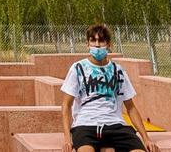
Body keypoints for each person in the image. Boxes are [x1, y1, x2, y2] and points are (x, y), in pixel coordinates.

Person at [60, 24, 151, 152]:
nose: (97, 45)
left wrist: (146, 138)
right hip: (86, 125)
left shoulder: (118, 71)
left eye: (101, 40)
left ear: (108, 44)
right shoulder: (78, 69)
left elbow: (130, 107)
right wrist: (67, 138)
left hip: (115, 125)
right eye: (93, 40)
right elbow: (66, 105)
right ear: (87, 44)